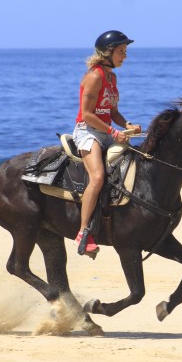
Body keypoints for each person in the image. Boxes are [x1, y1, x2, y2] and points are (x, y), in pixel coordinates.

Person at [73, 30, 142, 257]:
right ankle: (83, 231)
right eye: (121, 52)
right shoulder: (95, 76)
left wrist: (128, 124)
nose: (125, 56)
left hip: (106, 130)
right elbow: (87, 114)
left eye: (125, 52)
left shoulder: (112, 77)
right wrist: (114, 132)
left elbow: (112, 111)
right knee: (98, 177)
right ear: (107, 52)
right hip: (88, 132)